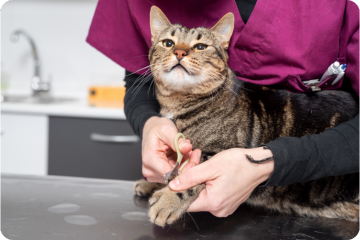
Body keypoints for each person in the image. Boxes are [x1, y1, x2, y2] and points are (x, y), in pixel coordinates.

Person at [87, 0, 360, 217]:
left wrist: (267, 165)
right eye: (169, 44)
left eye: (198, 47)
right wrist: (148, 123)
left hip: (335, 187)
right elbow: (138, 76)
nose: (180, 53)